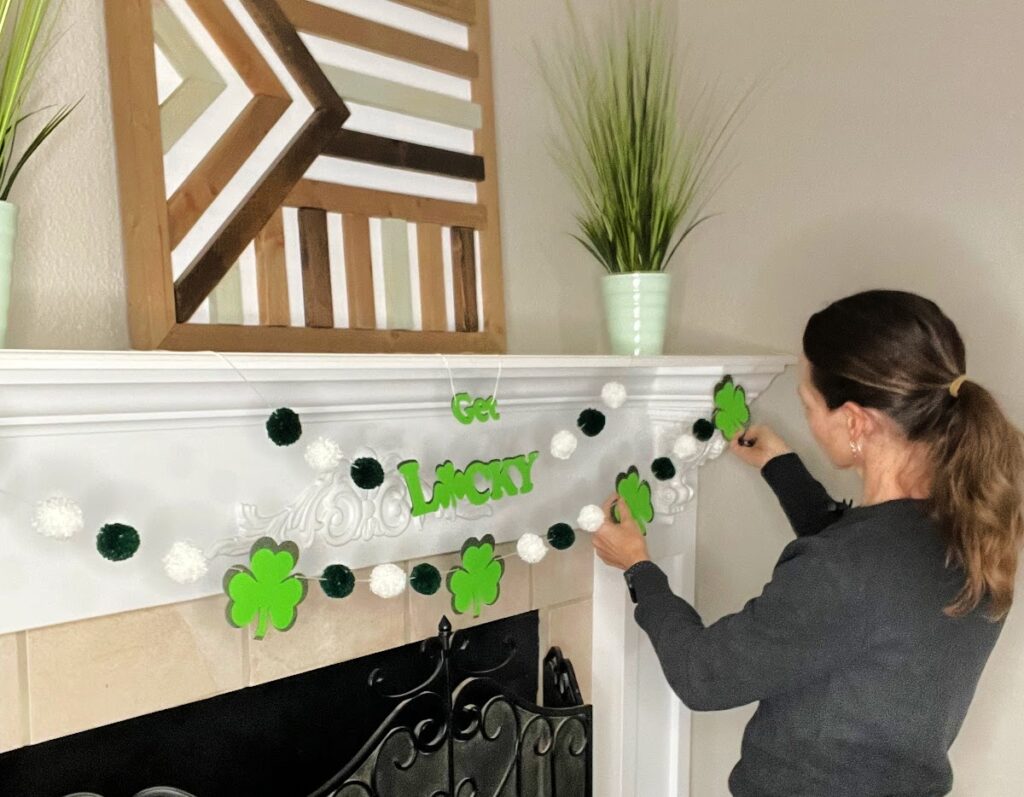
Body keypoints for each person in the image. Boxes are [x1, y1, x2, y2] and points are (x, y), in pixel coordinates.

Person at [592, 290, 1024, 796]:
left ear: (856, 421)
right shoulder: (972, 527)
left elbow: (702, 675)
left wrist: (638, 568)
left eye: (809, 405)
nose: (810, 420)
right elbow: (864, 568)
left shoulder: (846, 568)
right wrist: (782, 468)